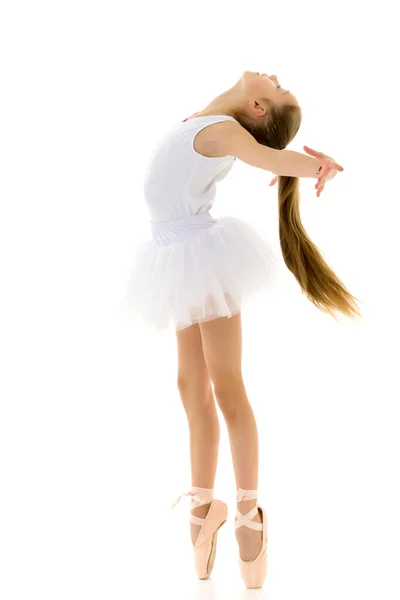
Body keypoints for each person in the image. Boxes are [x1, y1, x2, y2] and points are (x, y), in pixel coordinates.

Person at [120, 70, 361, 588]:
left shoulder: (227, 133)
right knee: (190, 386)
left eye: (279, 89)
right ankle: (203, 507)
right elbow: (265, 157)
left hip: (200, 258)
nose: (275, 77)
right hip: (173, 257)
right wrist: (300, 160)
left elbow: (272, 160)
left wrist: (315, 164)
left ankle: (250, 517)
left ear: (256, 107)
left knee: (228, 387)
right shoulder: (210, 123)